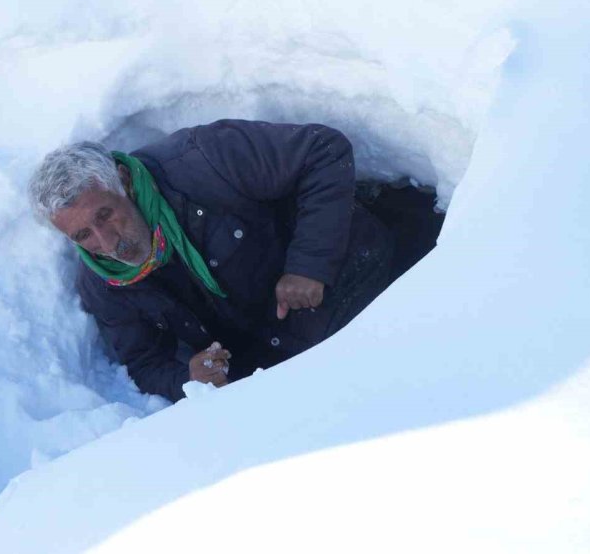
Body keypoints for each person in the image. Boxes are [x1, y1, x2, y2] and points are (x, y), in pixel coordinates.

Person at [28, 119, 442, 401]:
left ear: (123, 182)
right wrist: (188, 377)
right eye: (83, 235)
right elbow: (144, 361)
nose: (106, 241)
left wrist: (309, 264)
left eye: (105, 214)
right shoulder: (104, 284)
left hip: (366, 279)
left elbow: (324, 150)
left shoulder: (203, 160)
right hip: (293, 365)